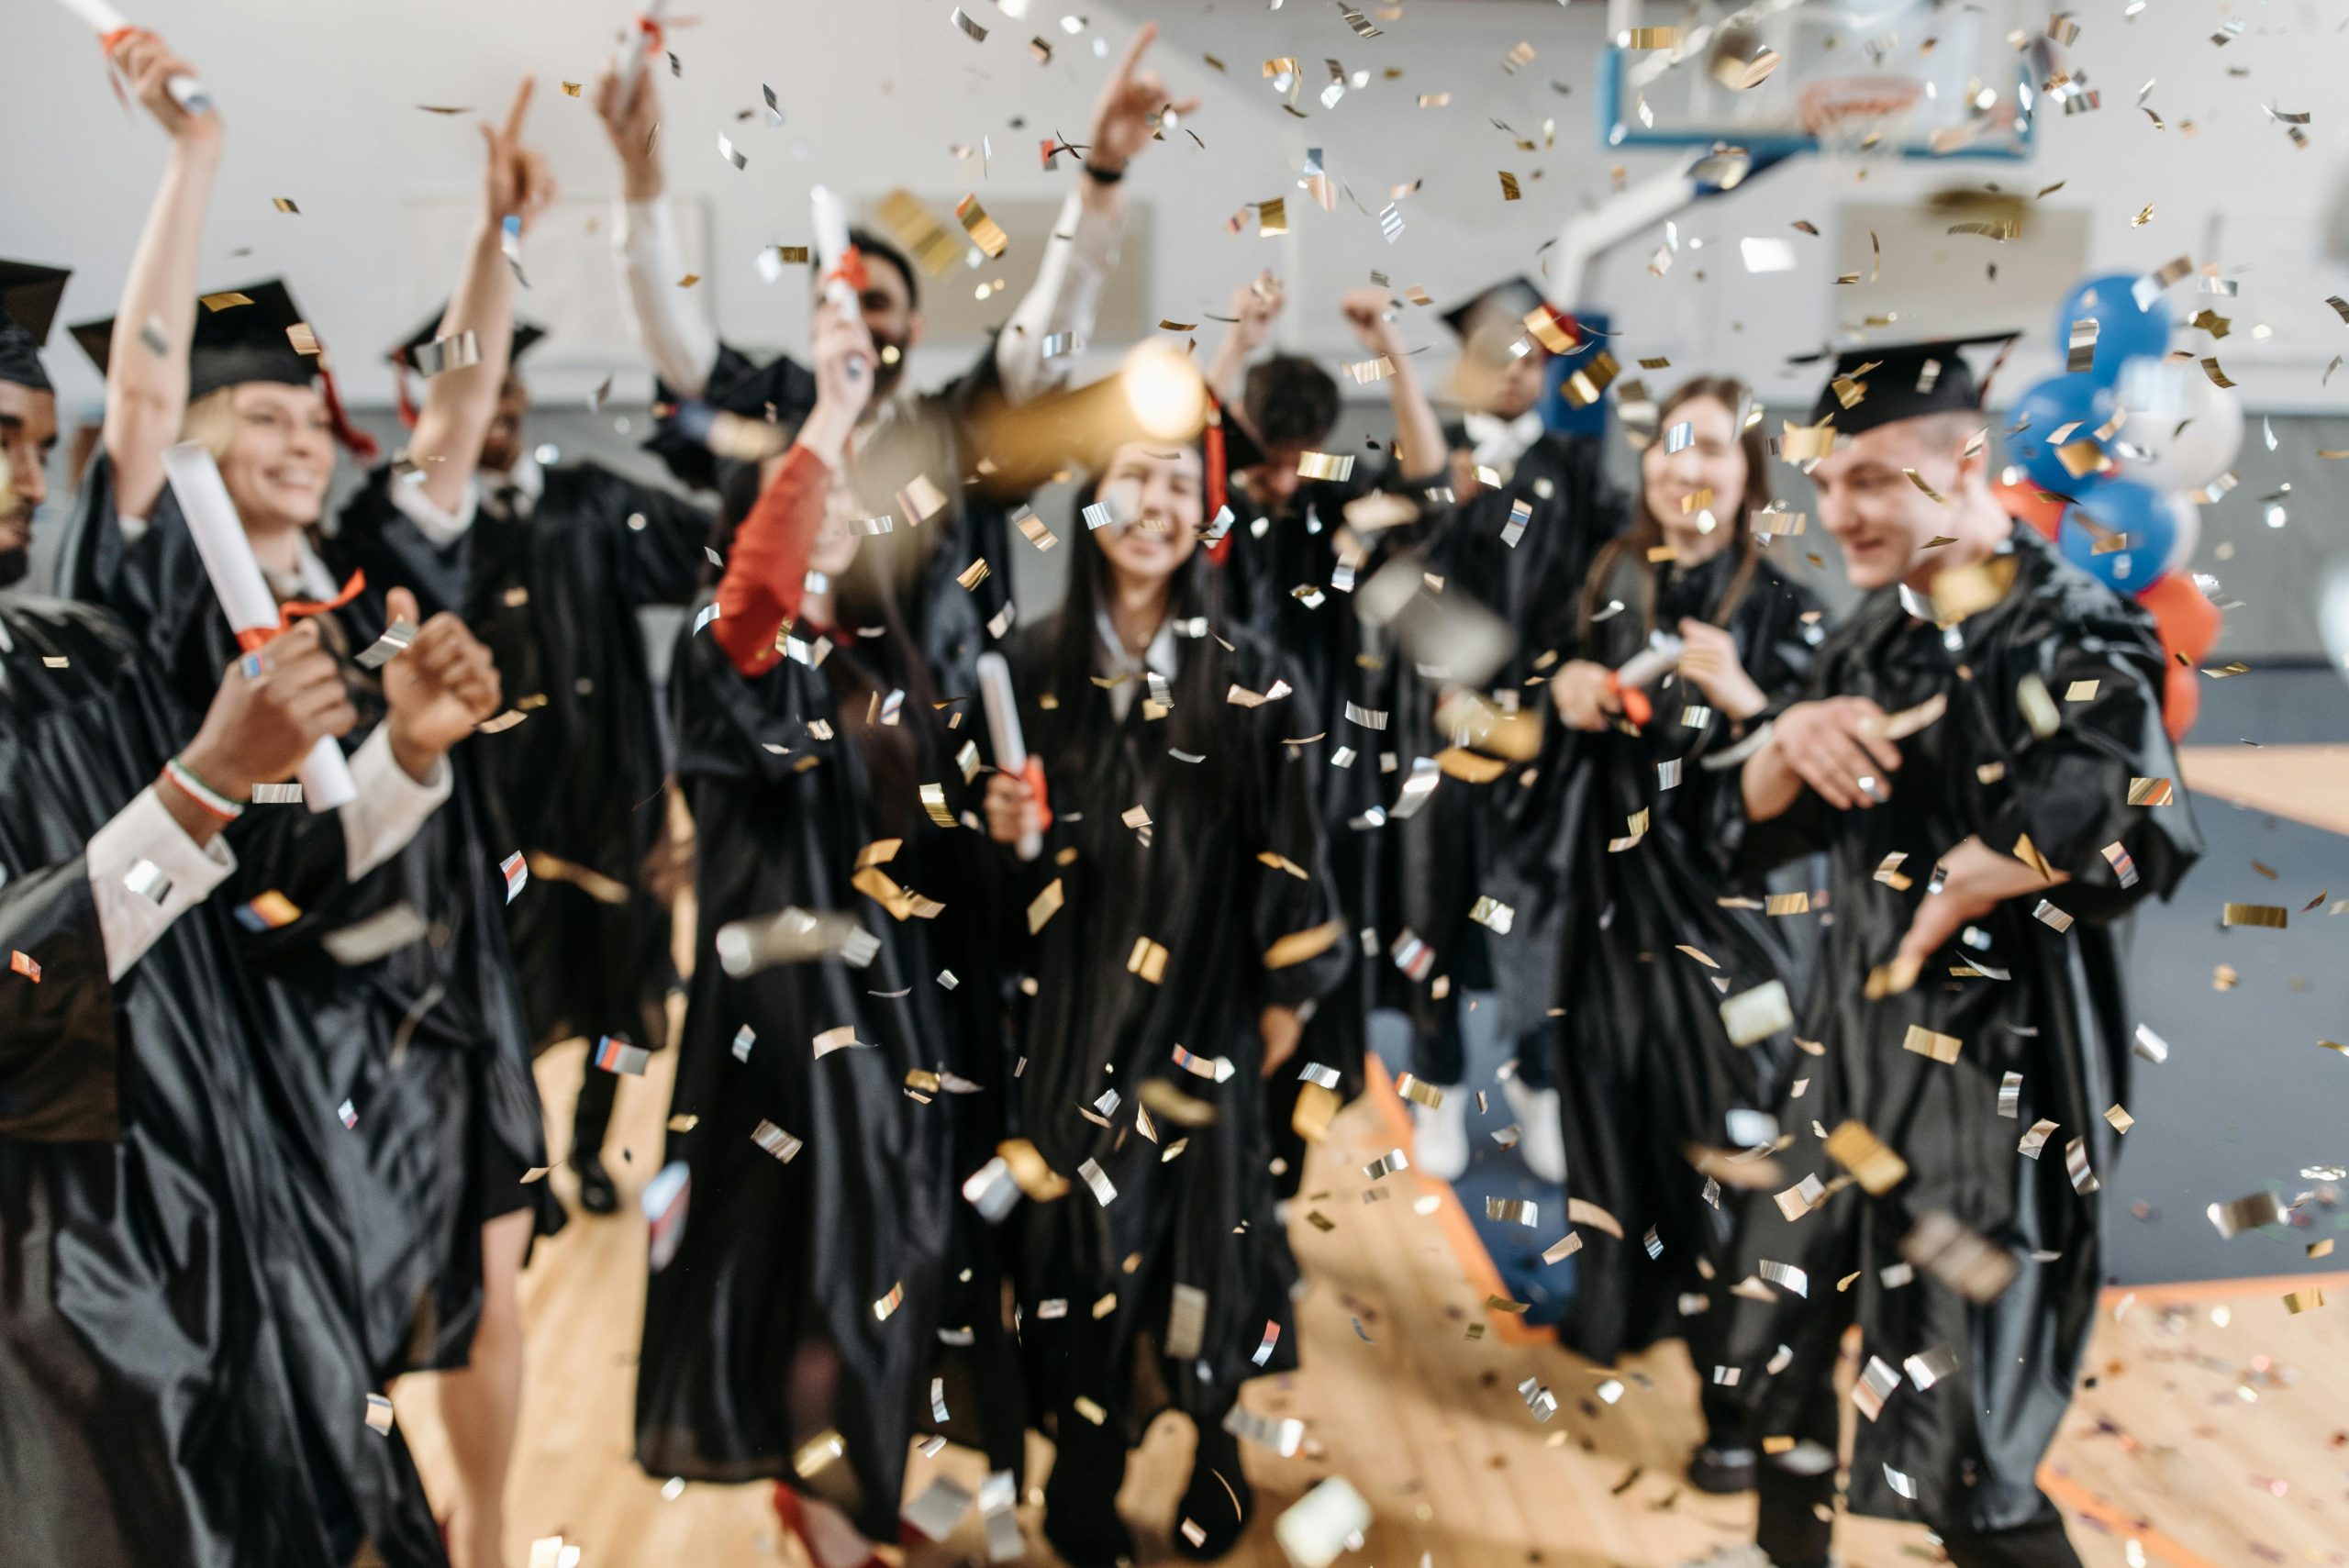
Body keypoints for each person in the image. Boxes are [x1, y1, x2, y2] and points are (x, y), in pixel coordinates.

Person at [56, 57, 560, 1568]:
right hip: (297, 1011)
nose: (292, 437)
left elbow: (458, 408)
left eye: (304, 412)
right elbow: (138, 389)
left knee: (497, 1282)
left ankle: (486, 1535)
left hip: (439, 979)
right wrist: (196, 158)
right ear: (198, 439)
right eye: (255, 413)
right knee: (331, 1318)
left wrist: (492, 239)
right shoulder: (161, 595)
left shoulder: (357, 572)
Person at [1698, 339, 2202, 1568]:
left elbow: (2139, 826)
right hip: (1849, 1066)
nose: (1837, 510)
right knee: (1776, 1342)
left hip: (1998, 1097)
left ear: (1964, 463)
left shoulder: (2076, 629)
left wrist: (1987, 865)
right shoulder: (1870, 641)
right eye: (1825, 481)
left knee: (1969, 1428)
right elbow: (1745, 830)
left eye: (1870, 478)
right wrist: (1783, 739)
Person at [3, 250, 451, 1566]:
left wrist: (404, 751)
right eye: (6, 444)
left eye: (41, 444)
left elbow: (248, 889)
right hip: (66, 1253)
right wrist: (197, 789)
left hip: (216, 1180)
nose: (38, 476)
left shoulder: (68, 652)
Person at [634, 290, 1018, 1568]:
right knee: (817, 1273)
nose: (840, 513)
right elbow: (750, 612)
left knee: (897, 1257)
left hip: (896, 1009)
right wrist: (837, 409)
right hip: (787, 1032)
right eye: (815, 497)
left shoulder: (878, 665)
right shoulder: (725, 649)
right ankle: (832, 1512)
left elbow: (937, 846)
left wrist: (1007, 821)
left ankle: (858, 1481)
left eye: (851, 499)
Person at [981, 405, 1350, 1566]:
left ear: (1208, 516)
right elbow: (982, 887)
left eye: (1180, 488)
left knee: (1216, 1247)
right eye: (1135, 479)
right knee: (1079, 1250)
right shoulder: (1028, 667)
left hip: (1206, 1022)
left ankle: (1218, 1458)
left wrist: (1272, 1023)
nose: (1156, 506)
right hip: (1072, 1022)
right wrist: (997, 833)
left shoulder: (1254, 679)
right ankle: (1084, 1464)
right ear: (1089, 501)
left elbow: (1296, 866)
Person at [595, 23, 1194, 669]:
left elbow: (1044, 339)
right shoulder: (772, 424)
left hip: (935, 735)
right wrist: (639, 177)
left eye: (875, 304)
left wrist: (1102, 174)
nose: (856, 320)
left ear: (915, 329)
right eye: (837, 302)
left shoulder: (951, 433)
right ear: (814, 328)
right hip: (787, 724)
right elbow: (672, 340)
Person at [343, 304, 714, 1218]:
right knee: (510, 1002)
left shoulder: (590, 500)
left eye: (507, 378)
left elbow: (711, 552)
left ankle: (590, 1146)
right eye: (471, 385)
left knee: (619, 1004)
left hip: (612, 809)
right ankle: (530, 1162)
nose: (497, 398)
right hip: (499, 825)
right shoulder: (421, 542)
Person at [1542, 376, 1820, 1494]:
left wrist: (1750, 700)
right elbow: (1536, 703)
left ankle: (1740, 1409)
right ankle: (1629, 1308)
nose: (1684, 468)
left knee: (1735, 1153)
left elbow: (1814, 788)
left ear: (1750, 477)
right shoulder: (1608, 576)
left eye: (1712, 451)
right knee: (1615, 1122)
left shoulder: (1787, 606)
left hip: (1733, 929)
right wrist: (1559, 682)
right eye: (1669, 446)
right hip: (1612, 908)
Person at [1197, 281, 1452, 1198]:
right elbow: (1189, 442)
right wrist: (1235, 342)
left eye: (1295, 461)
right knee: (1225, 989)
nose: (1279, 478)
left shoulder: (1339, 508)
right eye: (1265, 460)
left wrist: (1387, 341)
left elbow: (1431, 482)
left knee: (1319, 1007)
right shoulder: (1220, 510)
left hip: (1332, 789)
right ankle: (1220, 1194)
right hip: (1227, 784)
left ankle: (1276, 1199)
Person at [1396, 277, 1631, 1182]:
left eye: (1531, 354)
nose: (1513, 369)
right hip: (1440, 735)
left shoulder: (1579, 475)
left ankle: (1538, 1079)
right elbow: (1388, 586)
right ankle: (1440, 1082)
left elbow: (1605, 599)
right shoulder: (1430, 462)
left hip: (1543, 744)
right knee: (1432, 914)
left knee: (1543, 923)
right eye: (1496, 351)